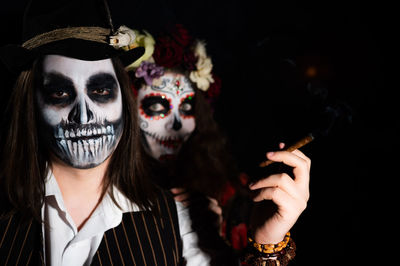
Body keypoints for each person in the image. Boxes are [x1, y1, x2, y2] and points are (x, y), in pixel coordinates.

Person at [0, 0, 182, 265]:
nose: (83, 116)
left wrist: (264, 244)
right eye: (60, 93)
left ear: (123, 101)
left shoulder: (178, 218)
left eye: (101, 91)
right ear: (31, 106)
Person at [124, 24, 311, 265]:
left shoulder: (240, 197)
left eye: (187, 108)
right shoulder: (93, 193)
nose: (178, 124)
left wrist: (266, 242)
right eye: (157, 107)